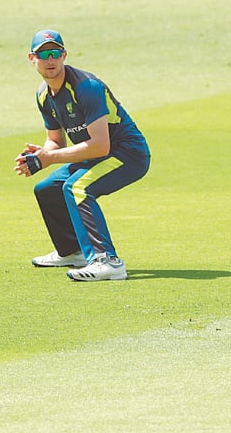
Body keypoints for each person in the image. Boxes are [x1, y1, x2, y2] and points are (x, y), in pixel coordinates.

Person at [14, 29, 150, 281]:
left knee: (77, 188)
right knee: (47, 188)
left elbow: (100, 146)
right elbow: (55, 140)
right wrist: (42, 155)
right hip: (97, 154)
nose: (50, 60)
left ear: (64, 55)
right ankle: (72, 251)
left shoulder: (86, 87)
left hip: (127, 154)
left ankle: (107, 261)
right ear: (32, 58)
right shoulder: (43, 95)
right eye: (43, 55)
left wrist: (48, 158)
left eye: (55, 53)